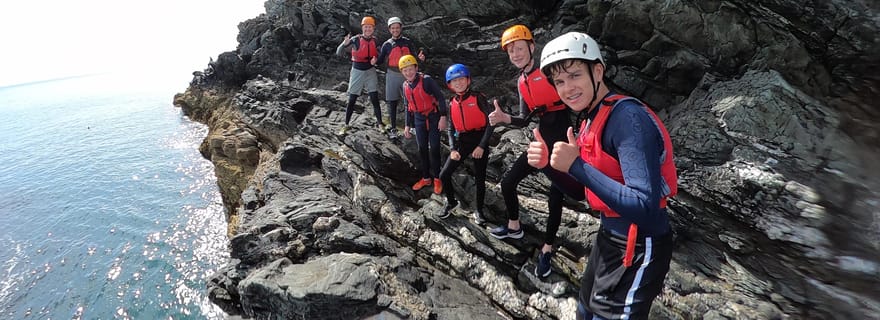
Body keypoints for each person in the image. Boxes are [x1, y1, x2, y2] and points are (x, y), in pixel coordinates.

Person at [529, 32, 678, 320]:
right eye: (559, 81)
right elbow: (583, 192)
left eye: (575, 75)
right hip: (609, 238)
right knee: (584, 312)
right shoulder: (591, 115)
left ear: (597, 71)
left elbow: (645, 206)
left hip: (639, 245)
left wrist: (576, 165)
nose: (567, 88)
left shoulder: (627, 118)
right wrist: (548, 165)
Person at [487, 24, 570, 278]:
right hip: (542, 141)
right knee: (507, 183)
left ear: (532, 47)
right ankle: (514, 226)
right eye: (511, 51)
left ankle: (547, 249)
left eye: (519, 48)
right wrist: (504, 118)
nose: (515, 54)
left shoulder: (549, 70)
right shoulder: (522, 82)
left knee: (555, 198)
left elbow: (576, 100)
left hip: (564, 141)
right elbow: (524, 119)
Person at [437, 64, 494, 223]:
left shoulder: (478, 97)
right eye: (454, 81)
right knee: (444, 174)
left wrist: (481, 146)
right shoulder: (451, 102)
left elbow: (491, 123)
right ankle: (451, 202)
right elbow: (450, 128)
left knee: (480, 178)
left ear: (468, 80)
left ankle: (479, 210)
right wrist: (453, 149)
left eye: (461, 79)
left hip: (480, 138)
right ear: (450, 84)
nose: (459, 83)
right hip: (463, 141)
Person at [399, 54, 448, 195]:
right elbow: (407, 105)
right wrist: (407, 125)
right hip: (419, 119)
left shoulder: (426, 80)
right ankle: (426, 178)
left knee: (434, 148)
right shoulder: (405, 86)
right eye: (405, 70)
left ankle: (437, 178)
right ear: (402, 72)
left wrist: (443, 117)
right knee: (422, 149)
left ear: (416, 68)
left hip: (433, 117)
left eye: (410, 69)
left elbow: (440, 97)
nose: (408, 73)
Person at [375, 16, 426, 140]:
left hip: (407, 74)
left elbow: (414, 58)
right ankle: (393, 128)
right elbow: (380, 60)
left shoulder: (408, 42)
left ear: (401, 28)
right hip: (392, 74)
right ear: (389, 29)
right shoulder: (387, 45)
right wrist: (374, 61)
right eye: (393, 28)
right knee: (392, 102)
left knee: (411, 101)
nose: (395, 30)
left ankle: (413, 126)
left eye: (397, 27)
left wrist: (420, 59)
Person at [335, 16, 385, 135]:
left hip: (370, 71)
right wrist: (344, 44)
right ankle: (346, 124)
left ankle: (380, 123)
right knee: (352, 99)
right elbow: (338, 52)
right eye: (366, 27)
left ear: (373, 28)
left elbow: (381, 58)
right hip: (357, 71)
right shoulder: (355, 39)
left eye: (370, 27)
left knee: (374, 98)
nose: (368, 29)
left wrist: (376, 61)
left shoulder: (375, 41)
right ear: (362, 28)